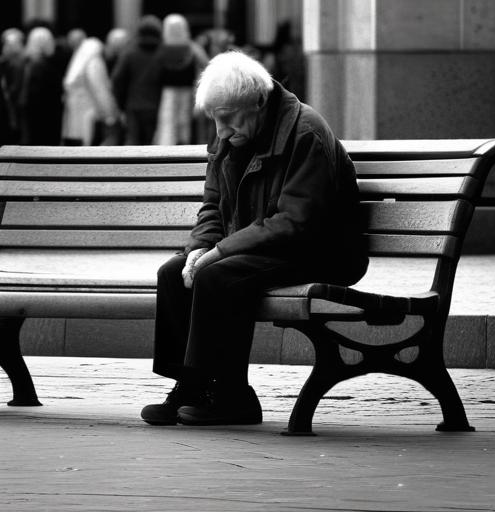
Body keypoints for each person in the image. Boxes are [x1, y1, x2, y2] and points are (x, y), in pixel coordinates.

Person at [141, 50, 368, 426]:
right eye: (214, 119)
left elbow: (296, 222)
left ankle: (232, 396)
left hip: (319, 250)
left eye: (227, 119)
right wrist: (201, 246)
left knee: (218, 275)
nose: (220, 131)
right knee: (175, 271)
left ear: (259, 102)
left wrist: (220, 252)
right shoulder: (229, 136)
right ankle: (190, 385)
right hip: (264, 246)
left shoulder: (305, 132)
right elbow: (213, 205)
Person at [153, 14, 209, 145]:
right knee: (174, 121)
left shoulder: (162, 49)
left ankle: (175, 145)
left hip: (182, 91)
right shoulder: (191, 48)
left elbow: (205, 66)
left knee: (173, 121)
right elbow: (206, 65)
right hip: (172, 91)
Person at [112, 15, 162, 145]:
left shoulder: (129, 51)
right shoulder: (162, 52)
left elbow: (117, 79)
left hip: (133, 105)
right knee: (153, 146)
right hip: (156, 105)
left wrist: (121, 103)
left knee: (133, 144)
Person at [61, 37, 119, 146]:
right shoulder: (94, 62)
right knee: (88, 144)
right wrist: (109, 114)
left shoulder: (78, 61)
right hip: (89, 110)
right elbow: (99, 89)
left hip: (76, 110)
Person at [18, 26, 63, 145]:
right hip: (43, 115)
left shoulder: (29, 60)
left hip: (31, 112)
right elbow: (40, 93)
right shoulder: (40, 63)